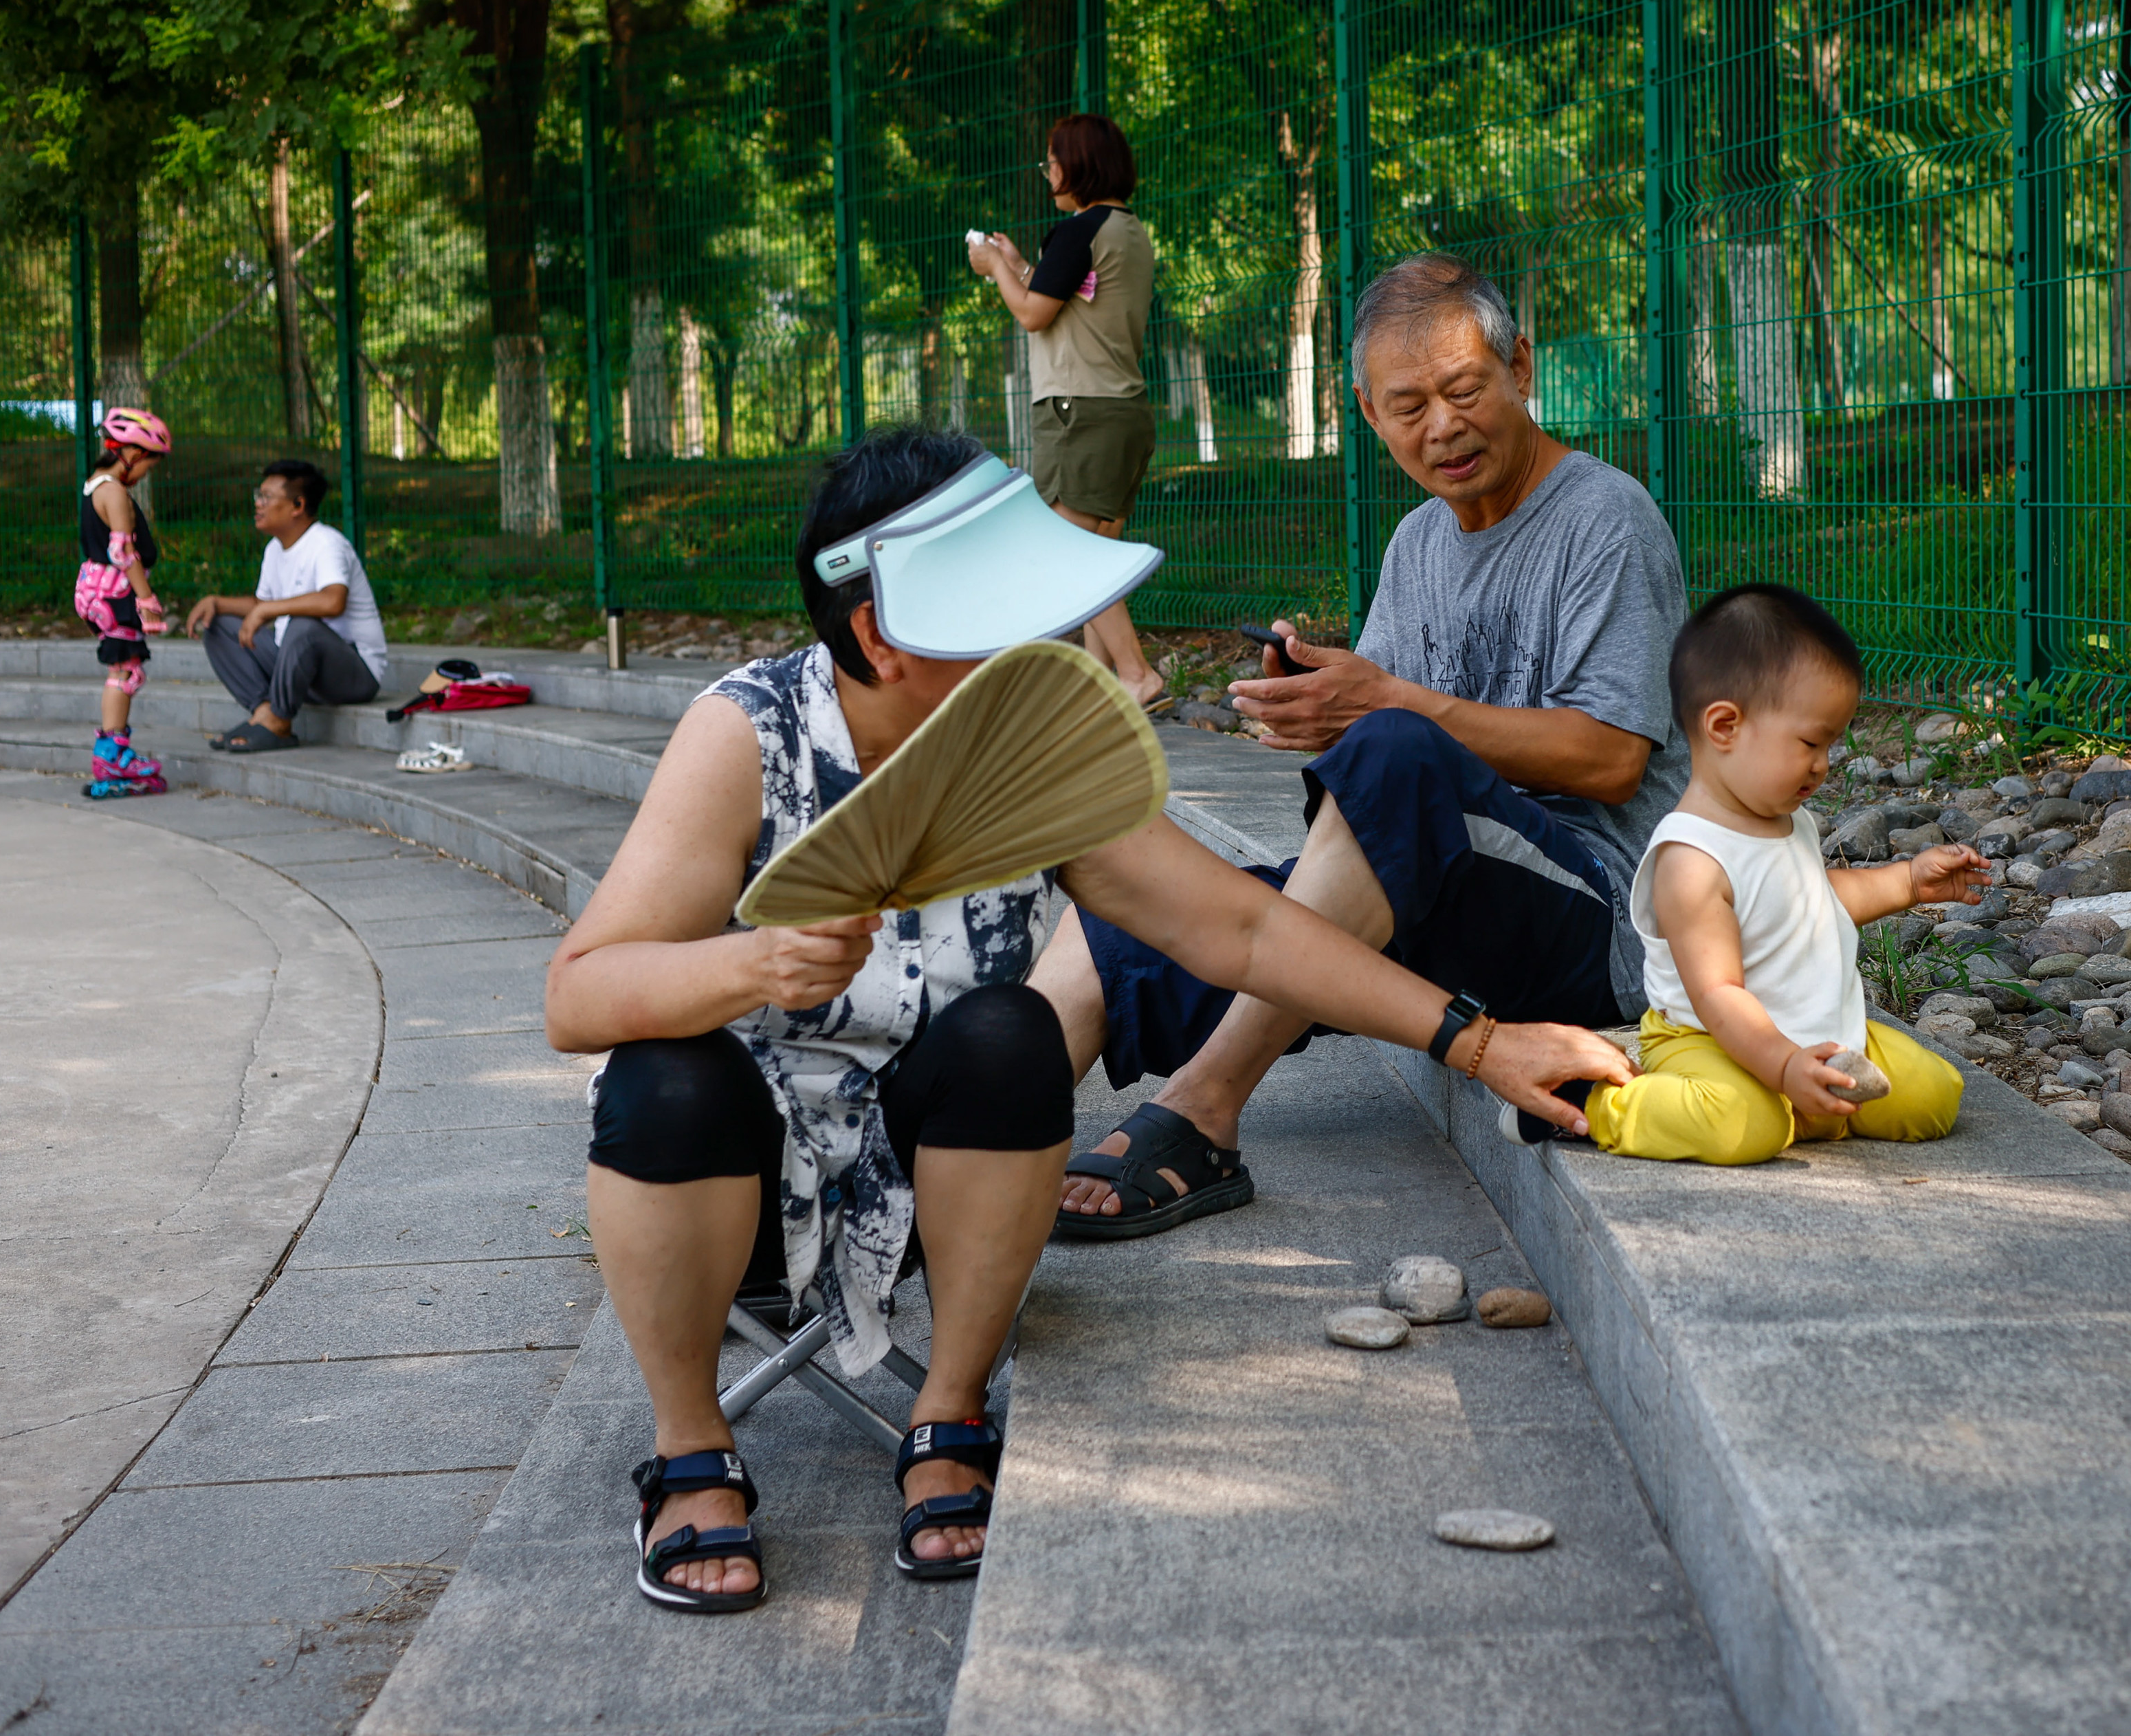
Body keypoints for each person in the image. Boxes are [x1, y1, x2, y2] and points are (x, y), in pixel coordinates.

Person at [542, 425, 1627, 1612]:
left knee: (1007, 1032)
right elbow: (579, 996)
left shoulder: (1023, 755)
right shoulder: (744, 735)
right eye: (1012, 617)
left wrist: (1479, 1040)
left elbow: (1246, 933)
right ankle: (692, 1447)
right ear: (879, 634)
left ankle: (949, 1409)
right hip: (729, 1203)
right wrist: (751, 963)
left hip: (927, 1201)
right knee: (662, 1070)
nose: (1051, 645)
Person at [1041, 252, 1692, 1238]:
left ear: (1521, 365)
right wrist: (1328, 709)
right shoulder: (1416, 545)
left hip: (1594, 915)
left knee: (1392, 748)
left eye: (1465, 389)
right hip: (1445, 895)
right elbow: (1384, 781)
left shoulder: (1604, 517)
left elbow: (1608, 762)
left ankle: (1203, 1106)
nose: (1442, 426)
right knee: (1128, 917)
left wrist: (1382, 705)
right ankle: (955, 1174)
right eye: (1407, 405)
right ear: (1364, 409)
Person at [1504, 583, 1981, 1162]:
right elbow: (1717, 992)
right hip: (1709, 1039)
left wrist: (1908, 881)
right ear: (1725, 726)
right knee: (1742, 1126)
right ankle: (1589, 1104)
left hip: (1814, 1032)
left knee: (1933, 1095)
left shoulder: (1788, 819)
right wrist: (1781, 1065)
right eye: (1810, 741)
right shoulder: (1691, 859)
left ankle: (1800, 1107)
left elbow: (1810, 902)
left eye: (1829, 743)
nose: (1822, 764)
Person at [966, 111, 1167, 712]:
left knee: (1069, 555)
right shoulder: (1126, 231)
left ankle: (1136, 676)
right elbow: (1070, 298)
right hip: (1123, 410)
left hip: (1077, 409)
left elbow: (1032, 313)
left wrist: (996, 268)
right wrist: (1023, 264)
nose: (1047, 174)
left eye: (1051, 163)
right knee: (1095, 556)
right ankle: (1099, 689)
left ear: (1077, 166)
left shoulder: (1078, 231)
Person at [184, 459, 389, 754]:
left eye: (266, 497)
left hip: (353, 674)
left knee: (302, 625)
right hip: (298, 663)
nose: (258, 504)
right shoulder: (275, 549)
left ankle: (279, 721)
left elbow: (333, 601)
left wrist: (266, 611)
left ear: (297, 505)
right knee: (218, 625)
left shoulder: (327, 544)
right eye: (259, 495)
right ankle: (264, 711)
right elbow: (261, 603)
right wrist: (216, 602)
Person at [71, 408, 173, 799]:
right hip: (115, 592)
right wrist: (146, 598)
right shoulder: (112, 490)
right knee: (125, 672)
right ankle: (112, 755)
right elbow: (123, 550)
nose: (147, 472)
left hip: (97, 588)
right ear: (130, 452)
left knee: (123, 668)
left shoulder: (94, 484)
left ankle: (113, 754)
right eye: (148, 462)